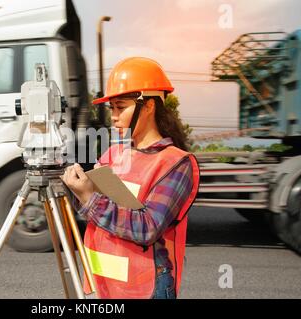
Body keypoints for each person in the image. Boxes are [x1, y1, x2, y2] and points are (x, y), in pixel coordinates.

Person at [61, 57, 200, 299]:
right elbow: (93, 211)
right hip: (101, 282)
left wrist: (88, 197)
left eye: (121, 107)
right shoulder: (113, 153)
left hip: (146, 287)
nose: (113, 117)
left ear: (148, 106)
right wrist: (73, 188)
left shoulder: (175, 163)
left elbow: (148, 228)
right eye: (111, 108)